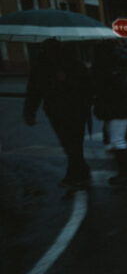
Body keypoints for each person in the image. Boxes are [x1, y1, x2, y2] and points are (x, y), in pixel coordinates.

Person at [23, 38, 92, 188]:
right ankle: (79, 171)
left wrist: (30, 112)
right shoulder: (51, 65)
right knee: (72, 142)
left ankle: (76, 173)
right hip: (69, 110)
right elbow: (34, 90)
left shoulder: (65, 64)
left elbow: (33, 91)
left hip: (66, 109)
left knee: (71, 142)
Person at [92, 40, 127, 187]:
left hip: (117, 108)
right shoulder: (120, 64)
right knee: (117, 139)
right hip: (121, 107)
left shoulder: (108, 68)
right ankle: (124, 174)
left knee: (118, 140)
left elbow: (108, 89)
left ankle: (125, 174)